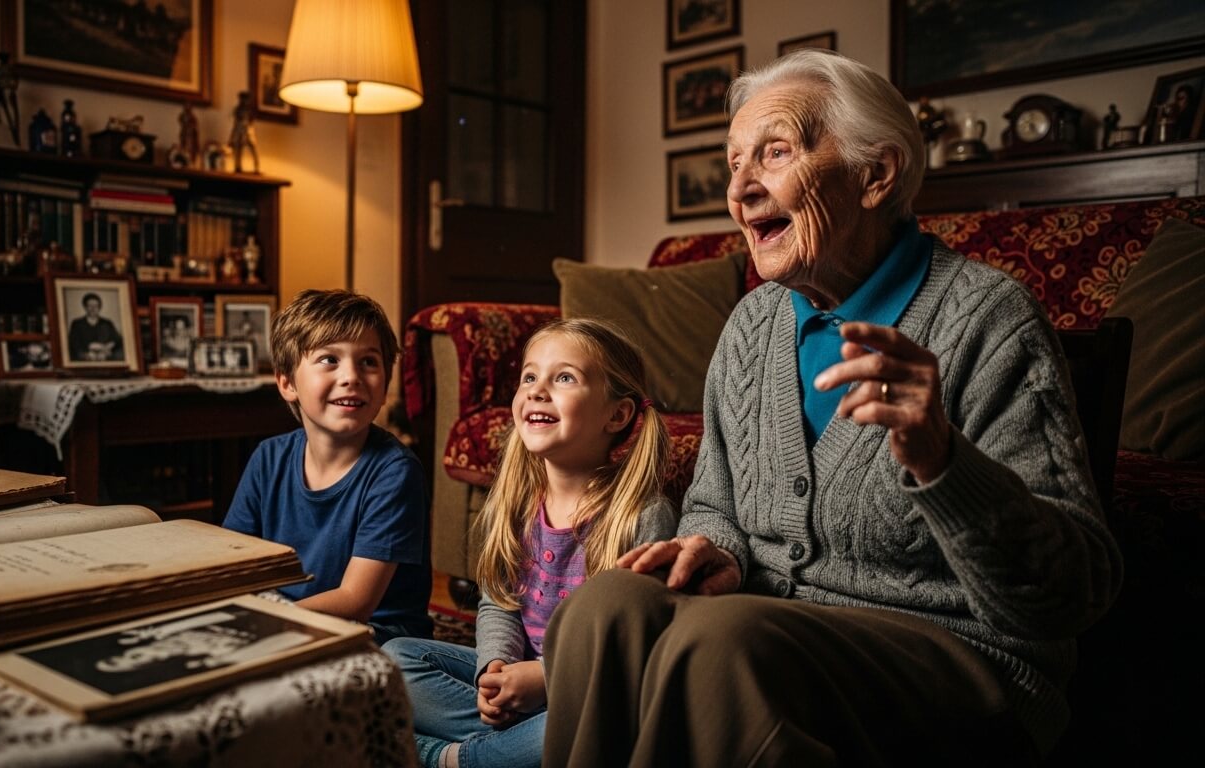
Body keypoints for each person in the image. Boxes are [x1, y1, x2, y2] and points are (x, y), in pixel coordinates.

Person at [542, 50, 1123, 767]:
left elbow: (1073, 593)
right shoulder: (752, 325)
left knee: (717, 643)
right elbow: (713, 504)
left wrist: (945, 461)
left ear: (875, 175)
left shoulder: (988, 318)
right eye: (733, 163)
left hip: (962, 659)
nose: (740, 188)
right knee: (604, 608)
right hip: (771, 629)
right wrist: (716, 549)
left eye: (775, 152)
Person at [383, 318, 677, 768]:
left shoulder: (641, 515)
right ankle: (516, 751)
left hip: (592, 687)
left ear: (616, 415)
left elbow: (634, 648)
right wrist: (494, 670)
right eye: (529, 376)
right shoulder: (517, 502)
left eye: (564, 378)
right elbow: (498, 603)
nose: (538, 390)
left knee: (615, 720)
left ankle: (452, 759)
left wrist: (544, 678)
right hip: (522, 683)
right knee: (395, 659)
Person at [222, 289, 431, 644]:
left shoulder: (395, 472)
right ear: (287, 383)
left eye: (368, 361)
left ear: (385, 386)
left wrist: (261, 625)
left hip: (374, 634)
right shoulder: (267, 459)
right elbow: (232, 564)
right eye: (329, 359)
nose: (351, 376)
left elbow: (356, 600)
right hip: (283, 615)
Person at [67, 292, 123, 362]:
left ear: (99, 307)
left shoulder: (107, 323)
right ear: (85, 307)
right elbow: (73, 344)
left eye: (96, 306)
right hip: (84, 360)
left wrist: (106, 350)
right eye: (90, 305)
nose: (93, 308)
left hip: (105, 358)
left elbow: (117, 340)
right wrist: (86, 353)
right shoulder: (77, 324)